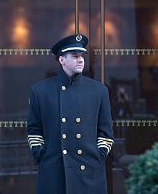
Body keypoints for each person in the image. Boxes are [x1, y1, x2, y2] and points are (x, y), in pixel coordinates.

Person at [27, 34, 114, 194]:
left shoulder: (98, 90)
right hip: (54, 173)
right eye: (75, 56)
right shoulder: (40, 91)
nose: (81, 60)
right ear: (62, 60)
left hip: (89, 173)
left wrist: (99, 156)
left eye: (82, 56)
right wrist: (41, 154)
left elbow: (106, 132)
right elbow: (34, 129)